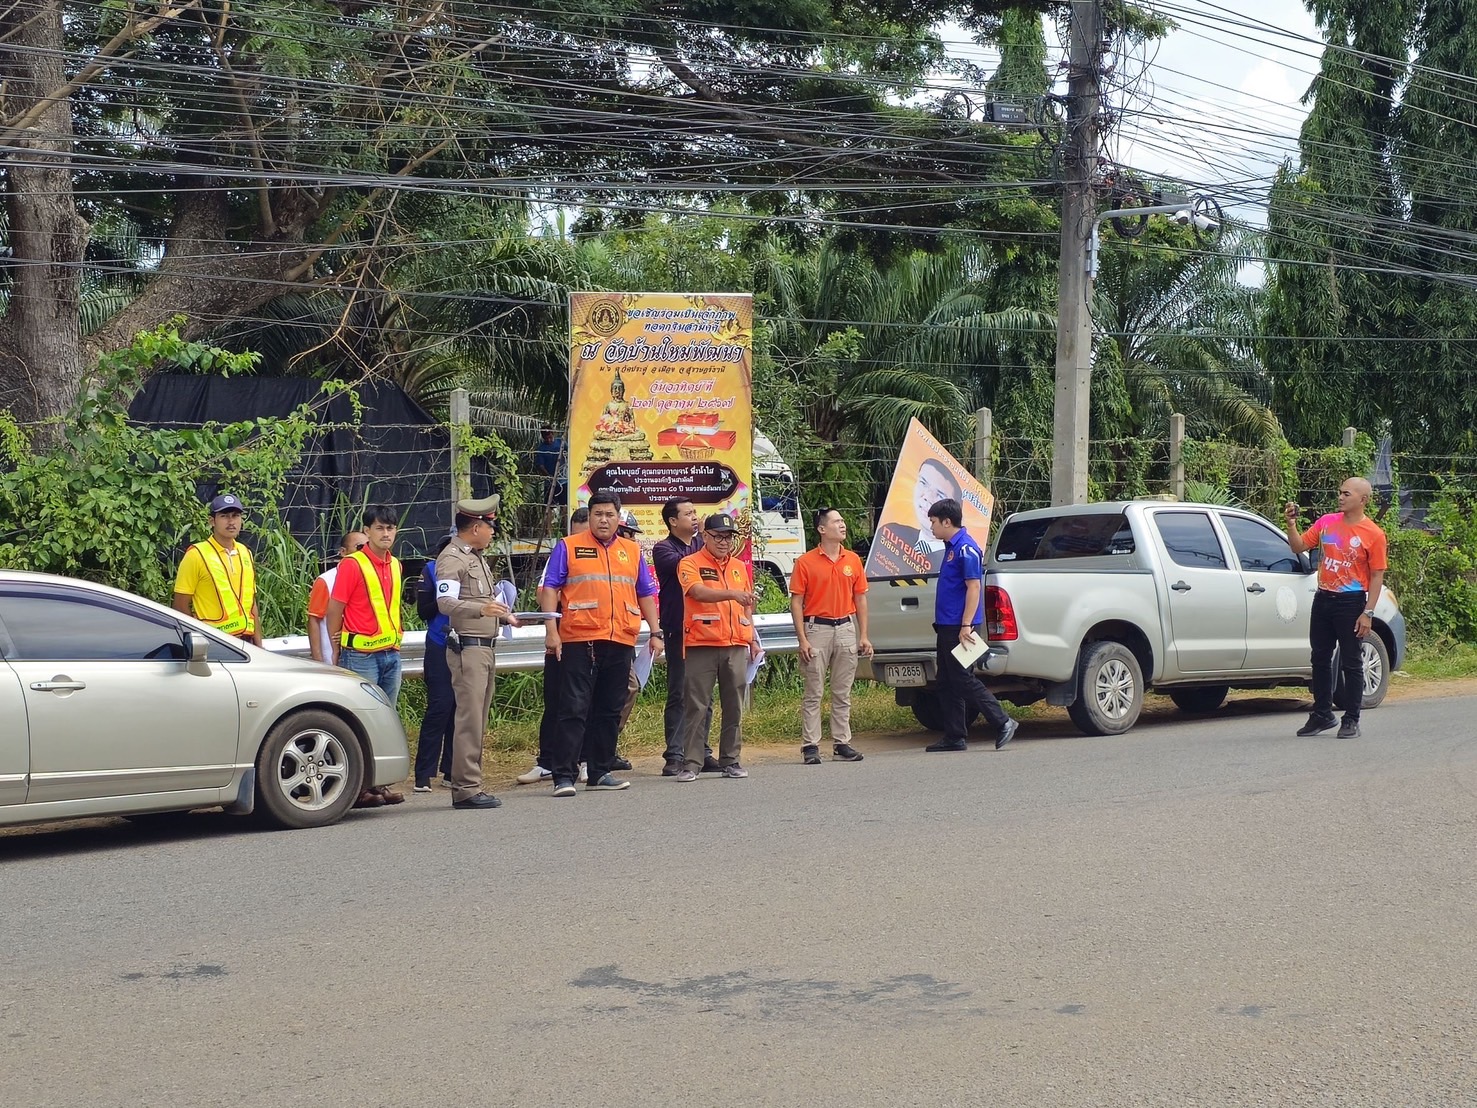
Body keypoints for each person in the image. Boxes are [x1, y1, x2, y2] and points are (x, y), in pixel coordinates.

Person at [540, 492, 663, 796]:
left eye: (609, 514)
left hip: (620, 638)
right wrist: (551, 630)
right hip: (579, 639)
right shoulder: (569, 546)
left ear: (618, 518)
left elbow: (645, 592)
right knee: (573, 708)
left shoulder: (631, 551)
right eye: (597, 514)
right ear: (590, 516)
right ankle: (564, 776)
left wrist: (656, 631)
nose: (603, 520)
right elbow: (551, 588)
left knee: (609, 709)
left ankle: (600, 770)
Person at [1283, 478, 1388, 739]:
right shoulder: (1327, 523)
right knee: (1319, 657)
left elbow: (1377, 576)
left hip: (1351, 601)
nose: (1340, 497)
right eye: (1339, 492)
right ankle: (1322, 714)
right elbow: (1298, 547)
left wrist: (1368, 612)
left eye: (1346, 493)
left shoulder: (1373, 534)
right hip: (1324, 598)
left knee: (1352, 662)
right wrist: (1291, 525)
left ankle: (1351, 718)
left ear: (1363, 500)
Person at [435, 496, 517, 810]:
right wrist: (482, 608)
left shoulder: (476, 556)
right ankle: (466, 788)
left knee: (478, 719)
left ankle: (472, 783)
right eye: (491, 526)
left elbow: (484, 601)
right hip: (468, 649)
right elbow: (446, 603)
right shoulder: (453, 558)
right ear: (477, 526)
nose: (493, 532)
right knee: (469, 719)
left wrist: (502, 614)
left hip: (484, 648)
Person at [327, 504, 407, 806]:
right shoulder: (353, 564)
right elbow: (335, 608)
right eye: (379, 528)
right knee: (361, 721)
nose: (385, 533)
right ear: (368, 531)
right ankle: (359, 788)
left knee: (386, 721)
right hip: (360, 654)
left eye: (390, 528)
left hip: (390, 653)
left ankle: (380, 784)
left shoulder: (396, 565)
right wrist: (336, 646)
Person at [923, 497, 1017, 753]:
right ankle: (955, 735)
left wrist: (966, 625)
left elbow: (974, 587)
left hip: (959, 627)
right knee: (945, 680)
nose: (931, 526)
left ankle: (1003, 721)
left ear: (946, 521)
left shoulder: (965, 549)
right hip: (946, 625)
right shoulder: (951, 547)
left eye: (933, 521)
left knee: (962, 678)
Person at [674, 513, 761, 781]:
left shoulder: (738, 567)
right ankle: (691, 763)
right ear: (705, 536)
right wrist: (731, 594)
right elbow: (697, 592)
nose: (724, 542)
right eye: (719, 536)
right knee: (697, 705)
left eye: (729, 537)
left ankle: (731, 760)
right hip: (703, 643)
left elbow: (747, 605)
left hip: (735, 644)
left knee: (733, 704)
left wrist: (753, 637)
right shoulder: (689, 563)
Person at [789, 507, 873, 764]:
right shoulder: (805, 562)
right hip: (817, 628)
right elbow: (796, 602)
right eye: (837, 522)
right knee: (814, 690)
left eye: (843, 521)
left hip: (846, 627)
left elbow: (860, 598)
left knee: (842, 691)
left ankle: (841, 742)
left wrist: (864, 635)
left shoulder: (853, 560)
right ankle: (810, 745)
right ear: (822, 529)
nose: (843, 525)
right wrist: (802, 638)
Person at [520, 507, 589, 786]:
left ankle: (586, 760)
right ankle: (546, 761)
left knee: (589, 703)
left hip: (594, 639)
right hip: (561, 638)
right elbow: (542, 593)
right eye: (575, 535)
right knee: (555, 701)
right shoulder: (562, 553)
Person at [652, 497, 717, 776]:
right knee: (679, 691)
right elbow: (685, 566)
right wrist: (705, 540)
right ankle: (675, 754)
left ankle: (701, 750)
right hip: (679, 627)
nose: (694, 517)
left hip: (706, 626)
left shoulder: (702, 547)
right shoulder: (663, 549)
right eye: (688, 514)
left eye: (695, 512)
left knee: (705, 693)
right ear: (672, 522)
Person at [172, 493, 264, 647]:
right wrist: (200, 639)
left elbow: (251, 603)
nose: (231, 521)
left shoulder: (245, 552)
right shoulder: (197, 554)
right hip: (214, 644)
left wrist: (259, 646)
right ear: (212, 521)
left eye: (235, 516)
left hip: (246, 643)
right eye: (224, 516)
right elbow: (180, 606)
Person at [412, 532, 457, 792]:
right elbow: (422, 611)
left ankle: (452, 771)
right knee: (440, 707)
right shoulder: (430, 570)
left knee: (460, 709)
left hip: (465, 644)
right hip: (439, 644)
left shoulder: (473, 569)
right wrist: (445, 600)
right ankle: (423, 774)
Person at [875, 459, 961, 574]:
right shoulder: (890, 532)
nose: (926, 496)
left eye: (940, 495)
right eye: (923, 483)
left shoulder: (956, 557)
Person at [307, 529, 368, 663]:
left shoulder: (372, 578)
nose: (364, 552)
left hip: (362, 653)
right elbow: (314, 620)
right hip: (331, 657)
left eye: (368, 547)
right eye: (359, 547)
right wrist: (318, 659)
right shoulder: (326, 580)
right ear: (343, 552)